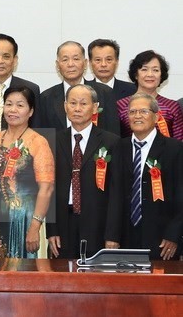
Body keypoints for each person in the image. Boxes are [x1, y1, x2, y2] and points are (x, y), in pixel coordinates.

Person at [47, 85, 120, 259]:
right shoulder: (53, 141)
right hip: (64, 225)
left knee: (97, 281)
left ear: (95, 107)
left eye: (83, 103)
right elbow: (49, 188)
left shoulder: (111, 142)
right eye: (72, 103)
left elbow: (117, 193)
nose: (77, 108)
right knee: (62, 279)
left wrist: (113, 234)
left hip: (98, 225)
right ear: (65, 106)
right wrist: (52, 229)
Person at [107, 93, 183, 260]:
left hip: (162, 238)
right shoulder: (119, 147)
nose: (137, 116)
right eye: (132, 112)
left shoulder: (175, 149)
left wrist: (174, 234)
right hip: (125, 236)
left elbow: (181, 195)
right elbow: (114, 193)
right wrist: (112, 235)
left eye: (143, 111)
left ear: (156, 116)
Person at [0, 86, 55, 258]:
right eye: (9, 104)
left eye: (20, 105)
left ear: (31, 111)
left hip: (26, 218)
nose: (13, 110)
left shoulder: (38, 142)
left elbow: (46, 189)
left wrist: (35, 225)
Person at [38, 41, 120, 135]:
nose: (70, 64)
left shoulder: (104, 92)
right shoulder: (46, 98)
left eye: (76, 59)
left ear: (85, 63)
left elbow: (113, 134)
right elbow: (42, 137)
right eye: (65, 60)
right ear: (57, 65)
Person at [117, 50, 183, 140]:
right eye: (144, 69)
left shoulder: (172, 106)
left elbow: (178, 143)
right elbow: (115, 140)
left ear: (161, 75)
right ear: (136, 74)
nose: (150, 74)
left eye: (155, 70)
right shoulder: (120, 105)